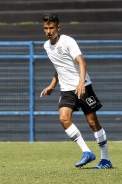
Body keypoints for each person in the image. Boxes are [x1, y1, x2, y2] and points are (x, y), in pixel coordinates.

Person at [40, 13, 112, 169]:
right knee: (63, 118)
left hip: (83, 86)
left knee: (93, 122)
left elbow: (82, 62)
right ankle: (87, 152)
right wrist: (52, 85)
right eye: (46, 28)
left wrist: (81, 83)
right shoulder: (46, 46)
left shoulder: (68, 41)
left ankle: (105, 159)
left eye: (51, 28)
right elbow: (59, 67)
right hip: (66, 89)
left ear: (58, 27)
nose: (48, 31)